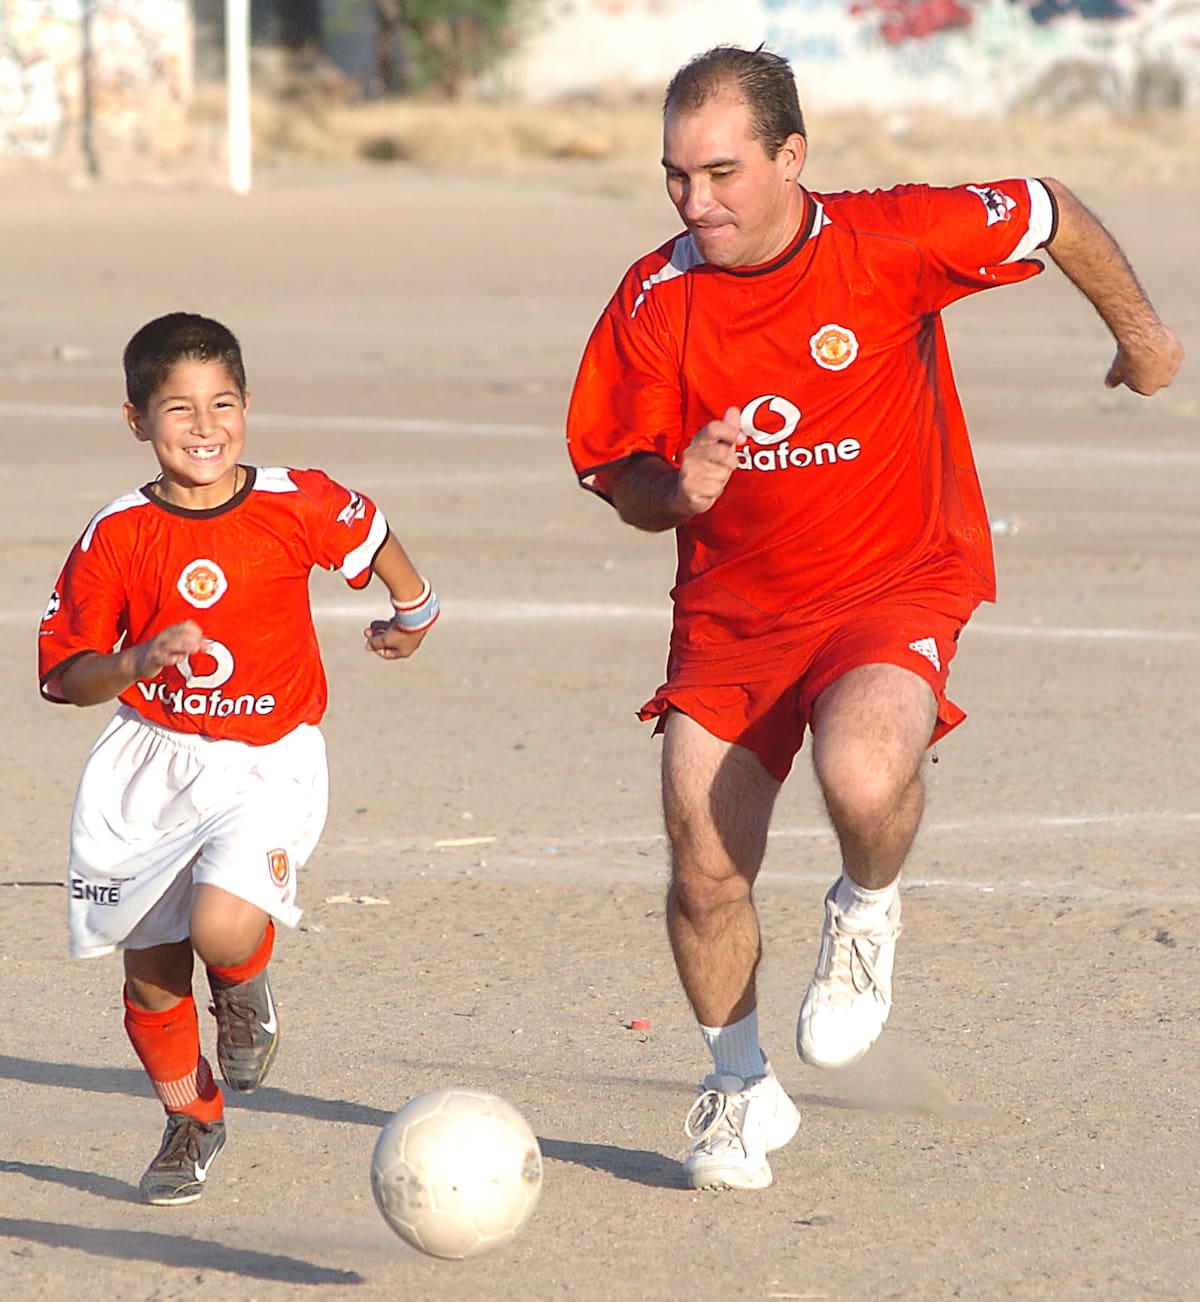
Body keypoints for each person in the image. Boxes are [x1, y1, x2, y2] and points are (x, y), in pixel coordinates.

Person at [566, 45, 1183, 1192]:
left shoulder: (891, 238)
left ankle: (866, 908)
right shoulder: (655, 297)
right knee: (704, 868)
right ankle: (740, 1089)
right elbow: (619, 471)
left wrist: (1142, 337)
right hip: (734, 613)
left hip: (893, 581)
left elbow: (1049, 209)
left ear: (791, 157)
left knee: (860, 776)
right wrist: (677, 490)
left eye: (721, 173)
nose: (695, 202)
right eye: (676, 177)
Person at [38, 312, 440, 1206]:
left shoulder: (294, 502)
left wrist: (415, 610)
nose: (205, 426)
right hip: (149, 768)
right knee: (150, 977)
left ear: (248, 406)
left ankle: (243, 986)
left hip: (266, 760)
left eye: (222, 403)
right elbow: (65, 673)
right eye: (178, 408)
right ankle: (193, 1117)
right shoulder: (117, 533)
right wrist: (135, 663)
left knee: (221, 928)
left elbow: (369, 534)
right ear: (138, 420)